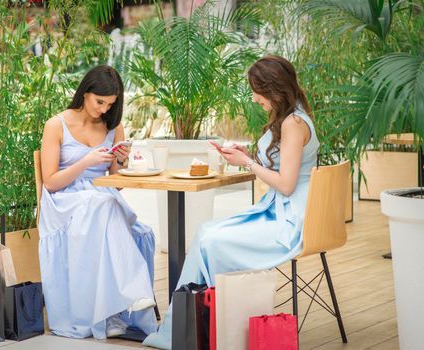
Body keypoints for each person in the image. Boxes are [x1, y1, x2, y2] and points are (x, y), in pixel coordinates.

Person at [143, 55, 320, 349]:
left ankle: (200, 329)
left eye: (257, 90)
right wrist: (247, 153)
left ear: (274, 89)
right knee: (206, 233)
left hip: (289, 222)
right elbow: (285, 162)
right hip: (283, 212)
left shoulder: (293, 123)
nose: (254, 97)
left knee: (210, 240)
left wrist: (247, 162)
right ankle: (200, 327)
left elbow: (286, 185)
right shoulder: (293, 117)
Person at [38, 65, 157, 340]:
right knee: (104, 205)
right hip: (64, 201)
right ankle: (133, 293)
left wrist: (121, 161)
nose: (104, 109)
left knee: (143, 232)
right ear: (85, 92)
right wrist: (86, 162)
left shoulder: (113, 126)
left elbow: (116, 183)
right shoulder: (56, 125)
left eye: (110, 104)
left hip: (101, 197)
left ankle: (114, 313)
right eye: (99, 102)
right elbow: (51, 182)